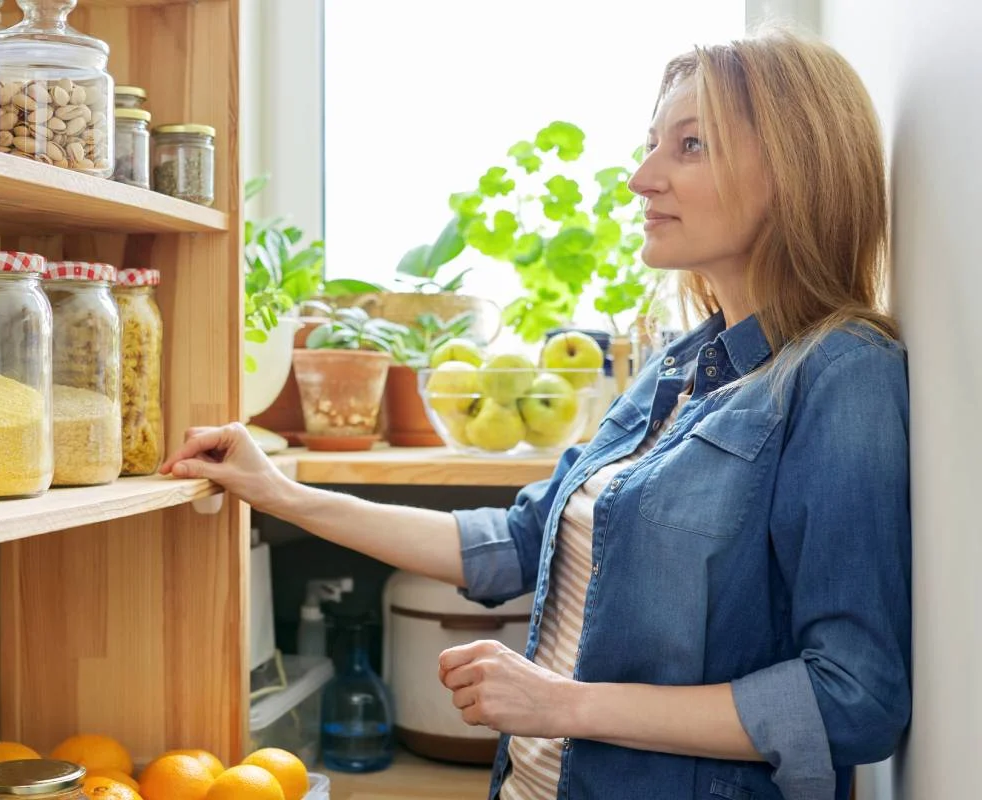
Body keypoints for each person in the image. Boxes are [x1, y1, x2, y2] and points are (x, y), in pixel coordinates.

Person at [161, 28, 911, 800]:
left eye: (691, 146)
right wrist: (282, 493)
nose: (641, 177)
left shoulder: (842, 375)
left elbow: (853, 700)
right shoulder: (678, 366)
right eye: (652, 143)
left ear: (796, 170)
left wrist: (561, 705)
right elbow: (519, 541)